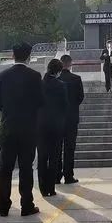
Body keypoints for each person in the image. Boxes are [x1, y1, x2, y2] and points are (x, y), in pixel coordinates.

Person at [0, 43, 43, 217]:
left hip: (8, 125)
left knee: (5, 167)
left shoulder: (2, 75)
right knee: (26, 167)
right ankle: (26, 205)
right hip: (28, 127)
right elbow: (40, 101)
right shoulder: (35, 76)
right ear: (29, 57)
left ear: (13, 56)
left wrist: (7, 110)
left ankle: (3, 206)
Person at [38, 59, 68, 198]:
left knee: (42, 157)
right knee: (54, 156)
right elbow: (64, 106)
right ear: (58, 71)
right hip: (56, 125)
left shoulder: (39, 84)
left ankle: (43, 188)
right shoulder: (60, 85)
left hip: (40, 125)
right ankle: (51, 187)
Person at [59, 54, 85, 184]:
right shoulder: (76, 79)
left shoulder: (56, 79)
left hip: (57, 118)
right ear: (70, 64)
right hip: (71, 117)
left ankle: (56, 175)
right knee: (69, 148)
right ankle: (68, 175)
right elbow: (80, 97)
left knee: (57, 148)